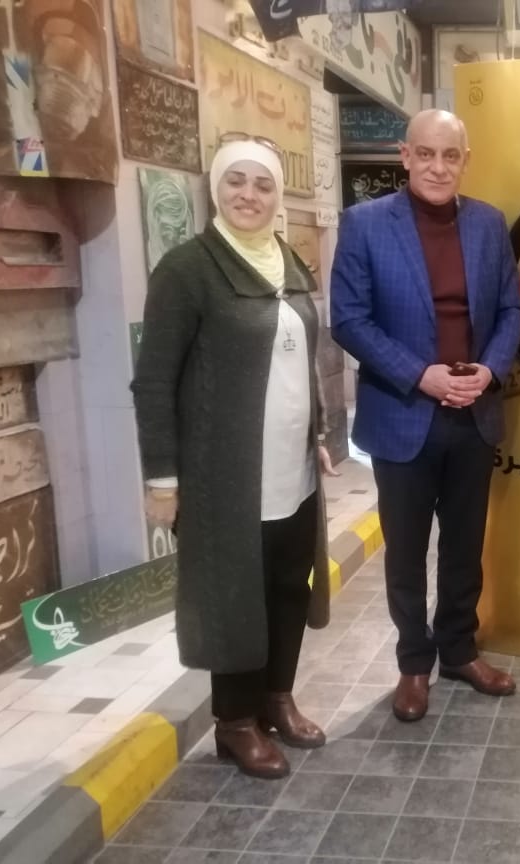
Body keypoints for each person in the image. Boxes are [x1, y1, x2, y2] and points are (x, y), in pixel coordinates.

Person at [132, 135, 338, 779]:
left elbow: (301, 362)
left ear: (278, 197)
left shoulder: (288, 263)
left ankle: (277, 698)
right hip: (224, 480)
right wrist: (162, 480)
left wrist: (318, 435)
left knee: (288, 586)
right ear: (215, 189)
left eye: (263, 184)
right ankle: (235, 722)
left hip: (292, 473)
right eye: (236, 181)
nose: (250, 195)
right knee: (234, 598)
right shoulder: (187, 270)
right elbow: (153, 382)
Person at [331, 110, 520, 722]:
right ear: (405, 156)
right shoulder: (364, 224)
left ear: (466, 160)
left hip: (474, 413)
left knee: (465, 546)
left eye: (450, 155)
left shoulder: (489, 224)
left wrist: (489, 370)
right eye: (426, 154)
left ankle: (459, 651)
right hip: (403, 412)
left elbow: (512, 310)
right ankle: (414, 664)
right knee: (407, 551)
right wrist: (421, 374)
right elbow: (349, 320)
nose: (438, 167)